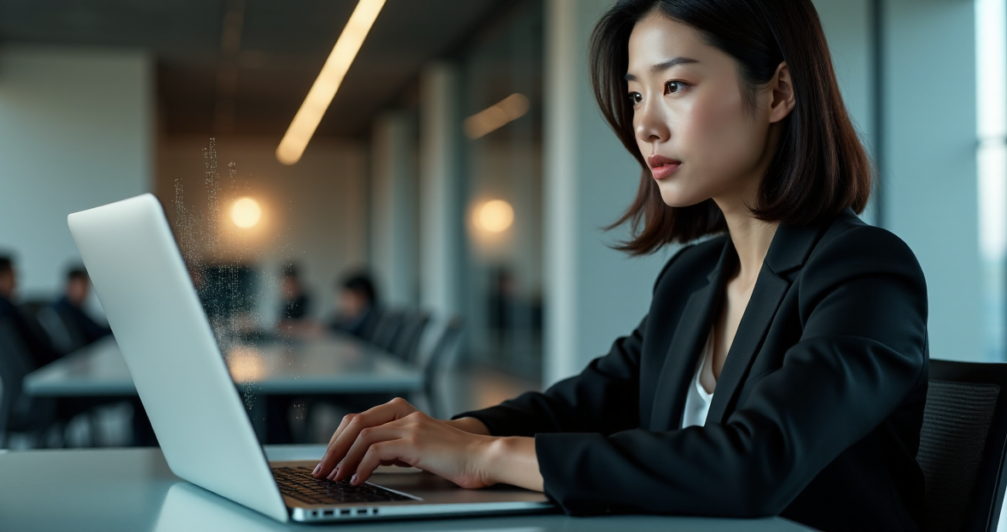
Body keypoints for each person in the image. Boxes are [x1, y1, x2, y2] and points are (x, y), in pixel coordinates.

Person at [311, 2, 928, 531]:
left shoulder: (864, 270)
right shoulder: (691, 278)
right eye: (636, 94)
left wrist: (485, 456)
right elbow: (579, 406)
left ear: (780, 93)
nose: (645, 125)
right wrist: (439, 435)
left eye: (675, 86)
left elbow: (752, 466)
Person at [0, 254, 60, 367]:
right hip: (42, 370)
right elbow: (35, 347)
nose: (16, 281)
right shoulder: (8, 310)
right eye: (13, 275)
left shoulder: (8, 308)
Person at [50, 266, 112, 350]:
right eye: (83, 287)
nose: (86, 291)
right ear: (71, 285)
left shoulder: (74, 307)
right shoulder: (63, 309)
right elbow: (93, 333)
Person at [326, 272, 380, 341]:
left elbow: (351, 334)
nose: (343, 303)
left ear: (360, 297)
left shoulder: (372, 317)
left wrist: (327, 331)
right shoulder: (353, 315)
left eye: (347, 297)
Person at [276, 262, 313, 335]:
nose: (288, 287)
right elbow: (279, 324)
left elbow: (307, 325)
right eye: (286, 284)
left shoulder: (305, 300)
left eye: (290, 283)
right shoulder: (284, 302)